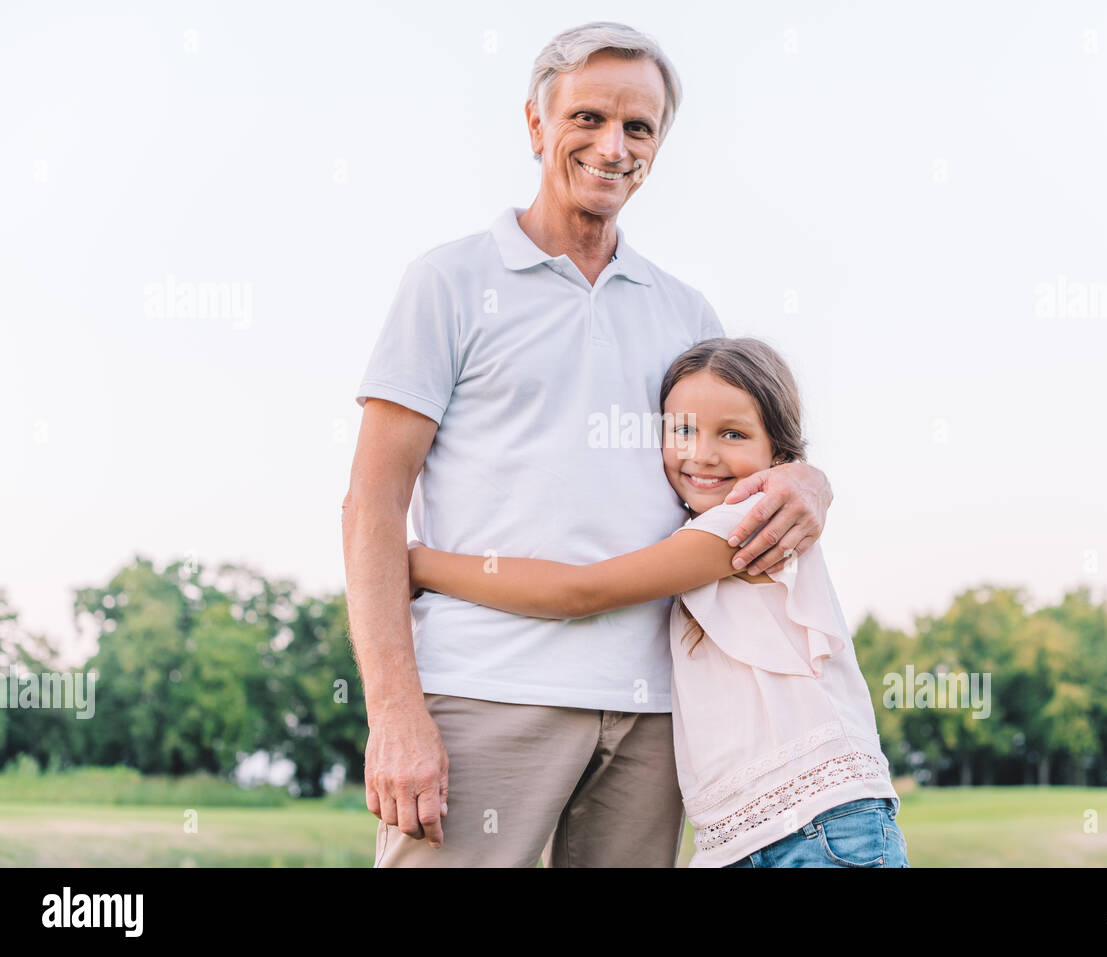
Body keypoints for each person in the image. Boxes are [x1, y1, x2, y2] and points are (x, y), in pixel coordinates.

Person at [342, 22, 835, 867]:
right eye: (589, 119)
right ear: (537, 125)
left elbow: (739, 464)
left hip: (657, 713)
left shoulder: (684, 310)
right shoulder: (449, 283)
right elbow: (372, 503)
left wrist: (813, 480)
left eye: (639, 128)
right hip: (481, 692)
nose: (614, 146)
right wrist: (393, 712)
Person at [406, 337, 910, 867]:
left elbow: (580, 592)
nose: (702, 454)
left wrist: (420, 564)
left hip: (818, 826)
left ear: (778, 455)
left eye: (733, 434)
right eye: (683, 430)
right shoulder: (704, 530)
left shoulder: (747, 522)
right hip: (758, 834)